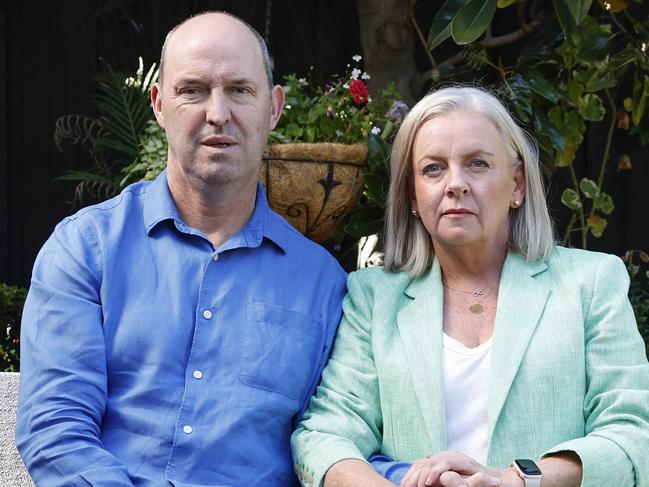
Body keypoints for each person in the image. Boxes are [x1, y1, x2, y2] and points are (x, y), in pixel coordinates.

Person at [16, 11, 346, 487]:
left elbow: (328, 437)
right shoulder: (87, 249)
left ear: (273, 108)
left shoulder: (321, 281)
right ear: (158, 104)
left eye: (240, 90)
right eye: (193, 90)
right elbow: (56, 429)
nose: (218, 113)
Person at [291, 86, 649, 487]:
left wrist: (514, 481)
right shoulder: (373, 297)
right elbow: (324, 435)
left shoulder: (591, 283)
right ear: (412, 193)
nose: (455, 184)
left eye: (477, 164)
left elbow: (634, 436)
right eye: (432, 169)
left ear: (517, 185)